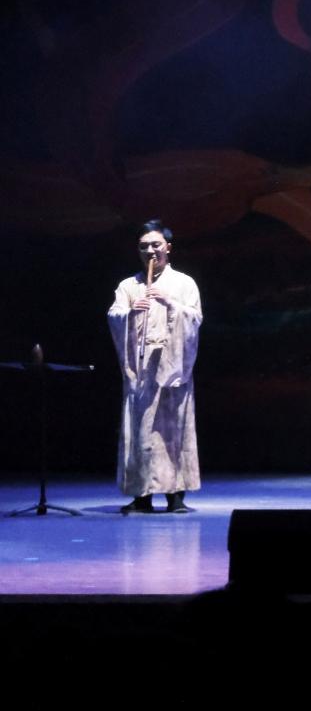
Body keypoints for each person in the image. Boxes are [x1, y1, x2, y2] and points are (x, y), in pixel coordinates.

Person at [107, 219, 202, 514]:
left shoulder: (184, 283)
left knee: (174, 430)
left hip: (173, 366)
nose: (150, 251)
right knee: (142, 431)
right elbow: (114, 315)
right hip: (141, 369)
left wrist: (171, 303)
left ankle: (175, 496)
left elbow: (195, 319)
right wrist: (129, 313)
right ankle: (142, 496)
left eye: (155, 245)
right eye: (144, 246)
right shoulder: (128, 286)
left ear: (168, 248)